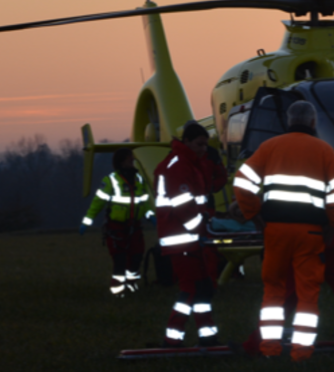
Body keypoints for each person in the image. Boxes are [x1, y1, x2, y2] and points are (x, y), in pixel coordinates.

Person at [232, 101, 334, 361]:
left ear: (288, 121)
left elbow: (241, 182)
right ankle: (301, 354)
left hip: (275, 231)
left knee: (273, 290)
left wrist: (254, 214)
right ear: (313, 122)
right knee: (307, 293)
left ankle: (270, 350)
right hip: (310, 233)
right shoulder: (324, 150)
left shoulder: (269, 147)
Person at [154, 121, 227, 347]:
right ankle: (173, 337)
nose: (204, 149)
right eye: (199, 144)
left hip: (190, 238)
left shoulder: (189, 163)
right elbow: (184, 206)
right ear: (186, 142)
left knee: (203, 288)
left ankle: (207, 336)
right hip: (183, 239)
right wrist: (202, 228)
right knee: (192, 290)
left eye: (206, 145)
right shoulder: (179, 165)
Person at [80, 148, 154, 296]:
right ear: (121, 161)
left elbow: (144, 202)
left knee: (136, 256)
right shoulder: (111, 180)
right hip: (116, 228)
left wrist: (151, 216)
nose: (133, 161)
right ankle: (118, 291)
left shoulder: (139, 180)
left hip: (135, 226)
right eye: (130, 158)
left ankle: (132, 285)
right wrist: (87, 221)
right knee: (119, 259)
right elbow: (98, 203)